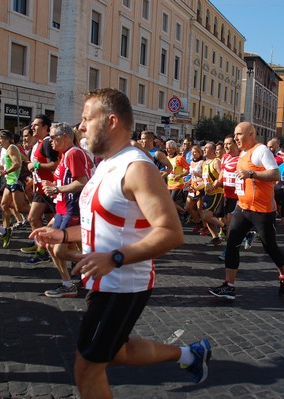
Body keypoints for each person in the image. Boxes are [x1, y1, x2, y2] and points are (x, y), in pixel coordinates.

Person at [29, 89, 210, 397]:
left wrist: (114, 257)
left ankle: (191, 354)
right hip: (103, 281)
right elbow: (99, 225)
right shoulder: (104, 165)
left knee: (86, 367)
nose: (81, 127)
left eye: (87, 119)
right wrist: (61, 235)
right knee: (115, 353)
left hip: (123, 285)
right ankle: (190, 354)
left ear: (111, 121)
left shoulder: (137, 167)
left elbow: (171, 231)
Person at [209, 121, 284, 300]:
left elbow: (275, 174)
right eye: (234, 135)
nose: (236, 138)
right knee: (232, 243)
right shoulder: (243, 153)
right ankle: (229, 286)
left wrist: (251, 174)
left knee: (269, 247)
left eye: (239, 134)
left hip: (262, 210)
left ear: (250, 134)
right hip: (243, 207)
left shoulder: (261, 151)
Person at [42, 122, 94, 298]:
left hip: (73, 209)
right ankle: (68, 283)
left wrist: (57, 189)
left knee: (59, 250)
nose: (50, 142)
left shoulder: (73, 153)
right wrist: (53, 187)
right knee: (51, 245)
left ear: (64, 137)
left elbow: (82, 181)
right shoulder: (66, 154)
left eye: (53, 138)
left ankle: (100, 265)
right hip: (63, 208)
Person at [22, 114, 60, 264]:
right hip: (41, 188)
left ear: (45, 128)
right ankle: (51, 248)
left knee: (33, 218)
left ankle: (43, 250)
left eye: (36, 125)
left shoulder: (46, 143)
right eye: (32, 125)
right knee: (53, 223)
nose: (33, 127)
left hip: (48, 189)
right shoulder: (37, 144)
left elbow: (55, 165)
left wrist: (35, 166)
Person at [200, 142, 225, 246]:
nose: (204, 149)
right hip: (207, 193)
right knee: (206, 217)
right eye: (204, 148)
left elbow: (222, 177)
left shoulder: (216, 162)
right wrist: (194, 187)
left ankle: (226, 228)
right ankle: (216, 238)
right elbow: (204, 181)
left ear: (213, 150)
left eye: (206, 148)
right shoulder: (204, 163)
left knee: (207, 216)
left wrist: (214, 186)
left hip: (216, 193)